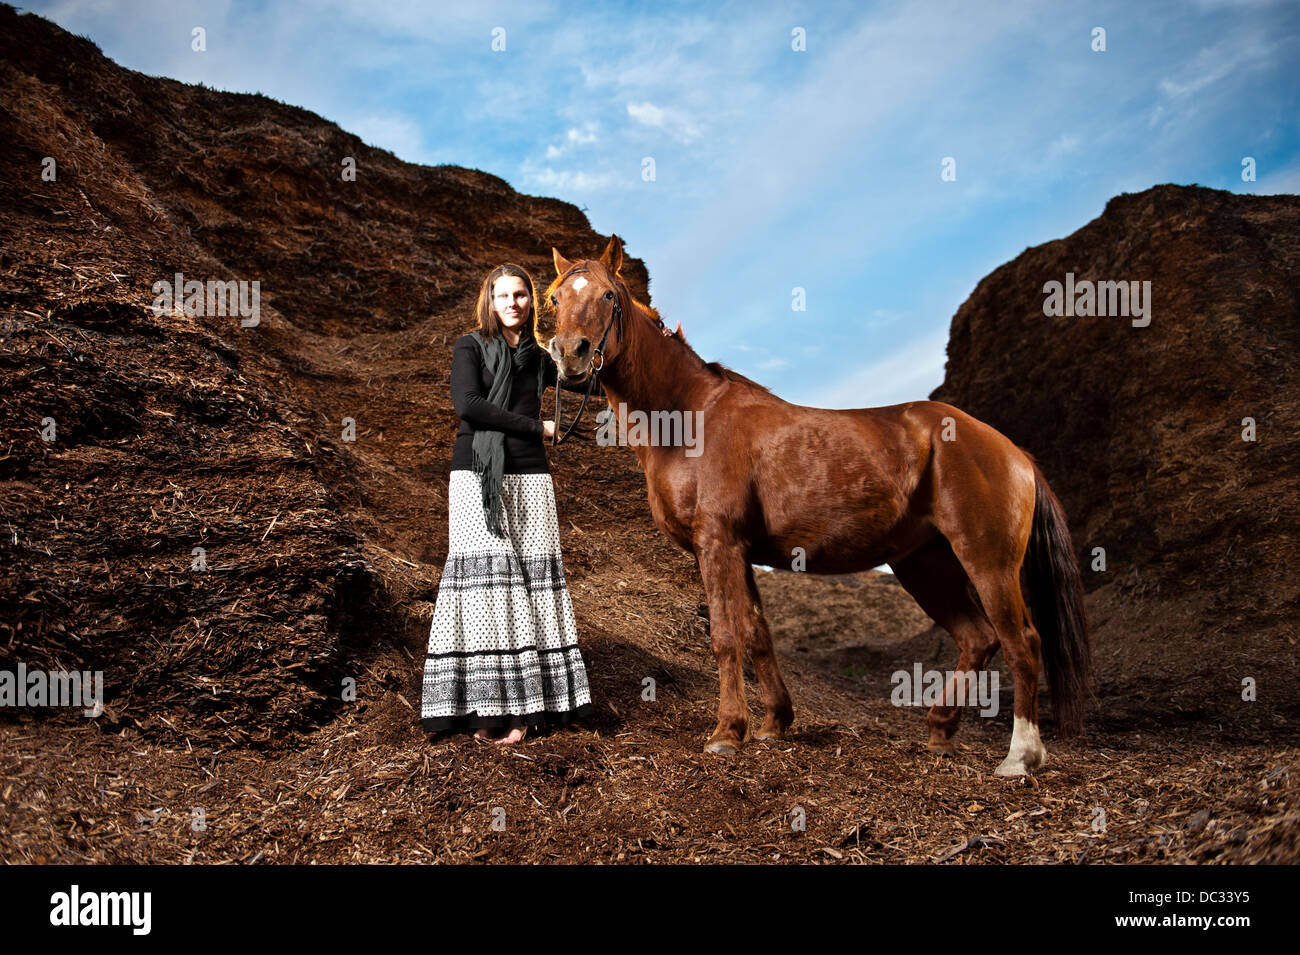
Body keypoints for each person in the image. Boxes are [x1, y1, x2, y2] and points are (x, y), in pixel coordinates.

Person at [420, 263, 594, 745]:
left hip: (531, 477)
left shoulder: (542, 358)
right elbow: (469, 405)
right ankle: (487, 707)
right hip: (478, 473)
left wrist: (659, 342)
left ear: (531, 301)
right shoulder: (470, 346)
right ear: (490, 302)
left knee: (533, 582)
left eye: (521, 295)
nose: (513, 303)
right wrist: (535, 427)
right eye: (504, 296)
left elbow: (592, 381)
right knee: (489, 585)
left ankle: (525, 709)